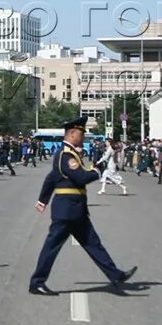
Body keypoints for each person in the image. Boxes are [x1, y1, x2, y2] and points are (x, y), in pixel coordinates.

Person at [28, 116, 137, 296]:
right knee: (52, 246)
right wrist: (97, 171)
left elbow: (51, 178)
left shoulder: (70, 154)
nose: (82, 136)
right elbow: (80, 177)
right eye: (81, 133)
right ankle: (37, 282)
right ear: (72, 133)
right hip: (67, 210)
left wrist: (43, 200)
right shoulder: (66, 155)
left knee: (93, 244)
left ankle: (115, 275)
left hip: (75, 209)